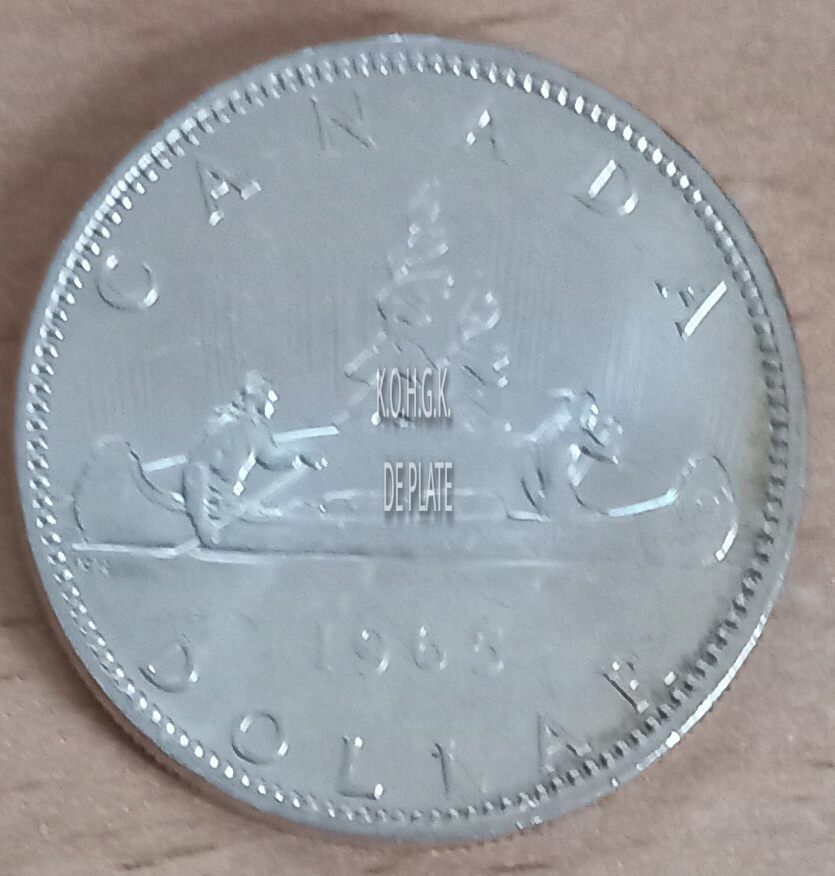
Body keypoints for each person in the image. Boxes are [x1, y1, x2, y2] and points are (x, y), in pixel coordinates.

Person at [183, 372, 322, 547]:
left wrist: (300, 455)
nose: (274, 398)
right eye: (268, 392)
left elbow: (270, 457)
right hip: (212, 503)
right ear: (254, 396)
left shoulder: (256, 429)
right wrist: (203, 523)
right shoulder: (227, 426)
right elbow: (198, 468)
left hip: (231, 502)